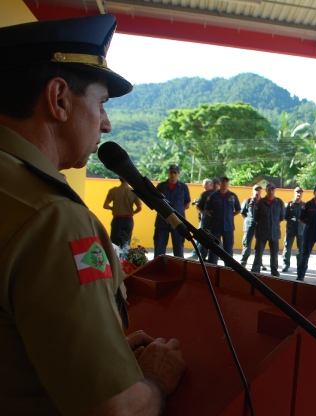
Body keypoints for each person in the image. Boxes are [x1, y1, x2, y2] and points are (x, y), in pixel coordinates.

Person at [0, 15, 185, 414]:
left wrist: (108, 353)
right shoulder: (52, 217)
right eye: (100, 103)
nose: (106, 123)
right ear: (59, 99)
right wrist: (153, 380)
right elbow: (114, 409)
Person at [154, 164, 190, 257]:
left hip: (178, 223)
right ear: (168, 173)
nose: (173, 174)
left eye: (175, 172)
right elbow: (154, 202)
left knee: (178, 250)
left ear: (178, 174)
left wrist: (178, 211)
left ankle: (178, 269)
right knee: (159, 249)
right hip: (162, 221)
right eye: (171, 172)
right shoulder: (161, 186)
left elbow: (187, 203)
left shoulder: (183, 187)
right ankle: (157, 269)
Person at [205, 176, 241, 265]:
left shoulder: (233, 196)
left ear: (228, 184)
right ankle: (212, 266)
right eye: (223, 182)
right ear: (219, 183)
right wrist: (215, 216)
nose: (225, 183)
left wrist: (229, 216)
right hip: (215, 226)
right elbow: (207, 209)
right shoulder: (213, 196)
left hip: (228, 226)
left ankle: (228, 268)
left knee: (228, 249)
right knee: (214, 248)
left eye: (226, 182)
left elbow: (238, 209)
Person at [251, 183, 285, 277]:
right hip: (262, 231)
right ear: (266, 190)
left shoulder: (279, 202)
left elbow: (282, 217)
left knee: (274, 254)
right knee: (259, 252)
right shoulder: (260, 203)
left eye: (273, 189)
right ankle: (256, 270)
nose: (271, 191)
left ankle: (274, 271)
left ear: (275, 190)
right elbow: (256, 217)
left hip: (274, 232)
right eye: (269, 189)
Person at [103, 178, 142, 248]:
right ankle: (124, 258)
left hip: (117, 220)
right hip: (128, 220)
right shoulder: (133, 192)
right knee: (125, 244)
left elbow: (105, 206)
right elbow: (139, 208)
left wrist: (113, 208)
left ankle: (115, 258)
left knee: (114, 244)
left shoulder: (113, 191)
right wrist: (132, 212)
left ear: (120, 179)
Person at [191, 177, 218, 259]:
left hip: (216, 221)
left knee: (213, 238)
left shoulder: (221, 194)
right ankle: (199, 255)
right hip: (205, 220)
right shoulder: (205, 194)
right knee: (202, 237)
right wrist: (205, 214)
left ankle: (211, 257)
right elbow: (200, 206)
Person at [282, 187, 305, 273]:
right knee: (288, 248)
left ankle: (299, 266)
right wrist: (291, 221)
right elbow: (284, 216)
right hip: (290, 230)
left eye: (300, 192)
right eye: (297, 192)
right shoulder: (289, 204)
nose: (299, 194)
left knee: (301, 250)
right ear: (294, 193)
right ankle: (285, 265)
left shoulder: (304, 205)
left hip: (301, 230)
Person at [239, 184, 263, 267]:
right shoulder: (248, 200)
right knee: (247, 244)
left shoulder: (263, 201)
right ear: (253, 191)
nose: (258, 191)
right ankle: (243, 261)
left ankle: (259, 263)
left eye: (259, 190)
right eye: (256, 190)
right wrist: (248, 220)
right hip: (249, 225)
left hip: (260, 226)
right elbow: (242, 213)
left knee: (259, 245)